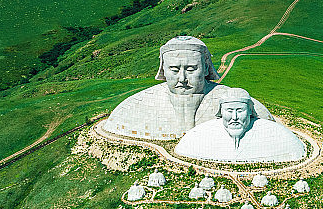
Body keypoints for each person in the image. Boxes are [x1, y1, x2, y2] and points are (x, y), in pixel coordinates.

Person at [104, 36, 272, 140]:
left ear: (206, 68)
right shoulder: (132, 108)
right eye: (174, 70)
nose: (182, 79)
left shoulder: (232, 98)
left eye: (191, 69)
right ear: (163, 70)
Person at [174, 88, 306, 163]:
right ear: (221, 112)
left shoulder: (279, 135)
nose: (235, 117)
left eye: (240, 111)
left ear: (250, 111)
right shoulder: (198, 135)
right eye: (229, 111)